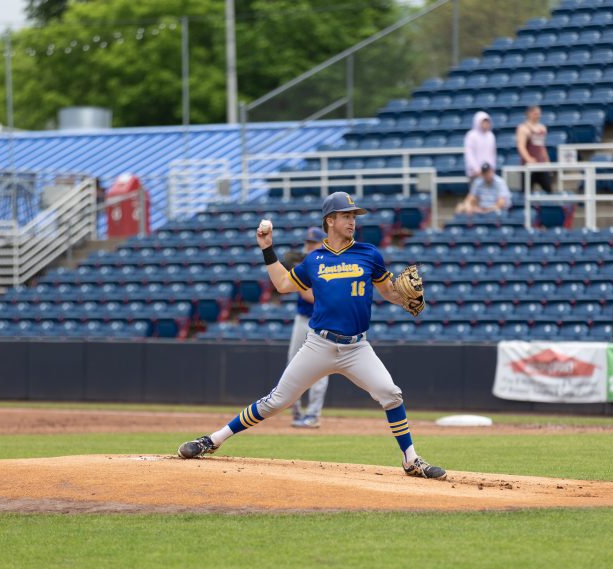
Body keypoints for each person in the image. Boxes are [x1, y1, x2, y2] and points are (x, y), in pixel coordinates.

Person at [177, 191, 447, 480]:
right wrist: (268, 248)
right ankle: (212, 440)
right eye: (346, 216)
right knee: (276, 401)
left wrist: (406, 298)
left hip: (357, 347)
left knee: (391, 394)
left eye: (353, 216)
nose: (352, 221)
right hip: (319, 344)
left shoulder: (369, 254)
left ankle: (411, 460)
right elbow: (281, 284)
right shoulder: (314, 260)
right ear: (330, 221)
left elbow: (389, 292)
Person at [282, 226, 329, 428]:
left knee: (321, 369)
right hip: (302, 319)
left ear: (323, 243)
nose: (308, 246)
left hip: (322, 322)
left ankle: (313, 414)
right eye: (307, 243)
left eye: (313, 243)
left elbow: (310, 296)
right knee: (292, 364)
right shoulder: (304, 264)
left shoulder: (329, 264)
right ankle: (296, 410)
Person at [516, 105, 552, 193]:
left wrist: (547, 159)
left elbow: (542, 146)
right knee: (526, 192)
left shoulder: (542, 128)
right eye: (536, 114)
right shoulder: (523, 128)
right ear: (529, 114)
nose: (538, 116)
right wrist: (528, 159)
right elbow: (521, 146)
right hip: (529, 166)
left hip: (541, 165)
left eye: (539, 114)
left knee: (549, 190)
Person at [464, 111, 497, 181]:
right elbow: (469, 154)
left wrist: (491, 169)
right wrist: (477, 170)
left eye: (487, 122)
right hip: (475, 173)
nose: (486, 124)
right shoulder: (471, 136)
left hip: (488, 173)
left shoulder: (491, 136)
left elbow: (493, 154)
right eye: (483, 122)